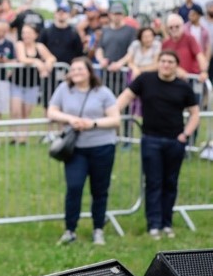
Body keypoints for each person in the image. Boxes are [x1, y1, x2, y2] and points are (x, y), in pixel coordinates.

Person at [115, 51, 200, 239]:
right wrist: (113, 114)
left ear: (176, 65)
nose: (166, 65)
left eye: (170, 62)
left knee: (170, 183)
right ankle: (153, 224)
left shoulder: (183, 87)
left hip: (174, 141)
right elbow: (126, 97)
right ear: (158, 63)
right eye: (163, 61)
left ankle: (166, 223)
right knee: (153, 182)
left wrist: (185, 134)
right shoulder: (146, 80)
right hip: (151, 139)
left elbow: (195, 113)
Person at [46, 57, 121, 245]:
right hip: (75, 149)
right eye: (73, 69)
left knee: (99, 189)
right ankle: (70, 230)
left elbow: (115, 119)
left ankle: (98, 229)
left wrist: (92, 123)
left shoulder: (103, 92)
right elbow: (52, 111)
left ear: (89, 71)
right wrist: (71, 119)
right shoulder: (64, 89)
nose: (76, 72)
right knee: (74, 187)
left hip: (102, 146)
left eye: (80, 69)